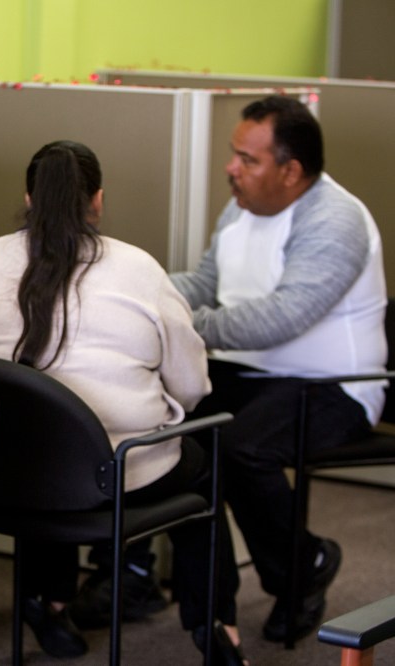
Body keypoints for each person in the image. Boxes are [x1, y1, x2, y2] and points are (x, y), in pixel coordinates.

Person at [0, 140, 245, 662]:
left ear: (28, 197)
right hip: (113, 479)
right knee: (205, 458)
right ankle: (215, 626)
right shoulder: (139, 270)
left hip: (1, 476)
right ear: (98, 201)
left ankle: (49, 601)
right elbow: (194, 387)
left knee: (43, 433)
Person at [171, 94, 387, 642]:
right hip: (252, 376)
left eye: (248, 159)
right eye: (233, 154)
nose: (231, 168)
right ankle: (212, 618)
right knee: (180, 439)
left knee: (243, 447)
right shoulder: (241, 206)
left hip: (335, 386)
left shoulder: (336, 220)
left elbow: (281, 319)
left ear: (291, 172)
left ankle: (303, 567)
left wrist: (185, 323)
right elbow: (206, 284)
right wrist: (146, 293)